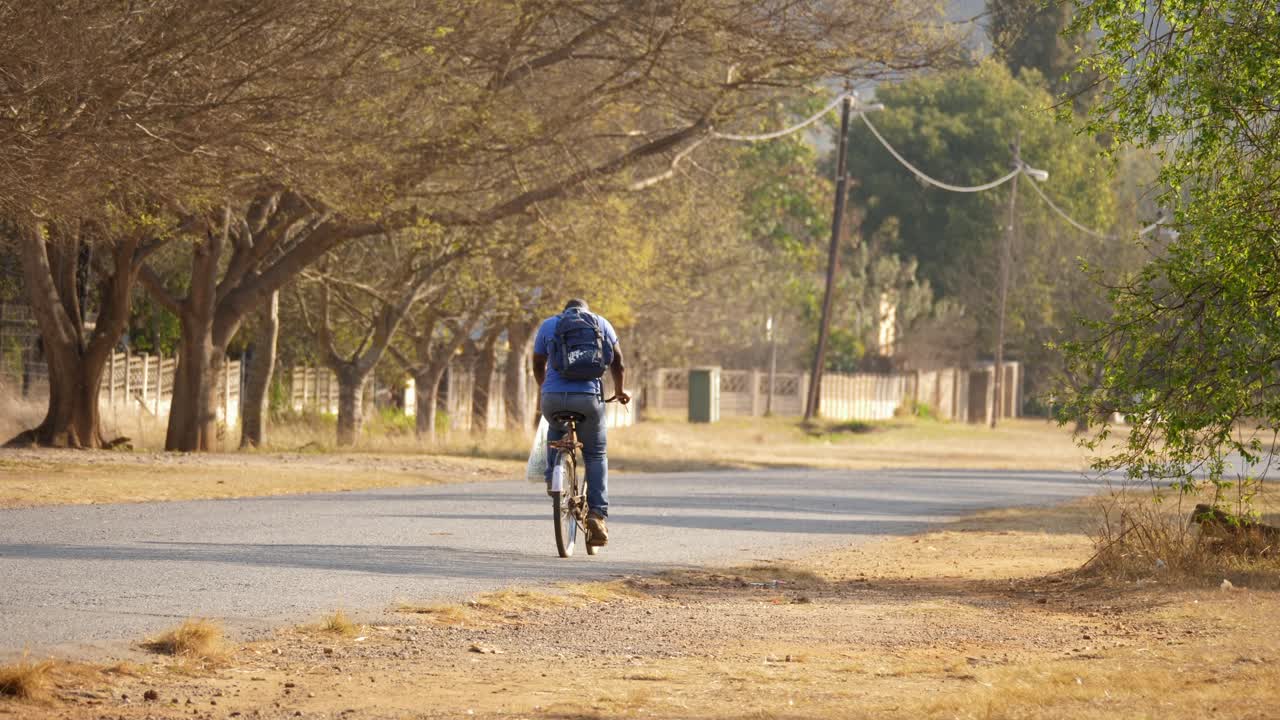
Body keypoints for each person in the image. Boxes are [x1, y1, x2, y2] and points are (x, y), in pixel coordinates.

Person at [532, 298, 629, 546]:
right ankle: (597, 514)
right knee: (596, 454)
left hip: (553, 398)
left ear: (563, 310)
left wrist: (545, 389)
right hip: (588, 399)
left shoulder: (548, 325)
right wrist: (619, 391)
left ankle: (553, 480)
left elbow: (537, 363)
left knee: (555, 429)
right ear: (587, 310)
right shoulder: (602, 323)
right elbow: (618, 363)